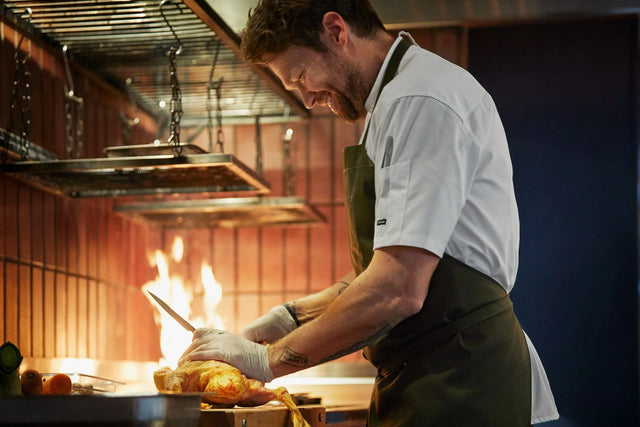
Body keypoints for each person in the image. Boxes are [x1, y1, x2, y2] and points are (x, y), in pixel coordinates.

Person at [178, 0, 559, 425]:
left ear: (336, 31)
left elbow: (398, 287)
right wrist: (289, 318)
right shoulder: (391, 103)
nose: (307, 98)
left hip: (462, 381)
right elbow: (385, 269)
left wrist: (265, 360)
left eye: (301, 76)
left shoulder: (421, 99)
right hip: (430, 371)